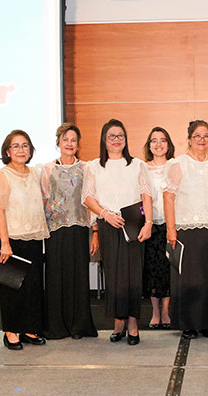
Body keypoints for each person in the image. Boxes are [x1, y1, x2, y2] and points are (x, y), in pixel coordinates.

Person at [83, 119, 154, 346]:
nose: (116, 140)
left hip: (133, 224)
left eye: (120, 136)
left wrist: (149, 223)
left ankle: (133, 324)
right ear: (104, 140)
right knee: (113, 276)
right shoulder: (94, 166)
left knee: (133, 275)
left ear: (126, 139)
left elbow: (146, 196)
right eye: (111, 136)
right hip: (108, 223)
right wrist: (105, 214)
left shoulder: (137, 165)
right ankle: (118, 323)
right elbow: (87, 197)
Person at [164, 120, 208, 339]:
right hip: (185, 229)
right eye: (197, 136)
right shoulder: (178, 164)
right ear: (189, 140)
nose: (201, 140)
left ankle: (206, 323)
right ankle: (189, 324)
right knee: (188, 278)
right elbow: (168, 197)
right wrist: (171, 229)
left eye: (205, 136)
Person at [0, 130, 49, 350]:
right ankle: (11, 332)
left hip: (34, 236)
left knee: (33, 286)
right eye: (15, 146)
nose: (21, 150)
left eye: (25, 145)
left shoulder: (35, 173)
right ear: (7, 151)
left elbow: (42, 201)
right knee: (12, 287)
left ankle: (29, 329)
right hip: (12, 239)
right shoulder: (2, 174)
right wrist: (4, 242)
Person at [41, 123, 97, 340]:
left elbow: (90, 201)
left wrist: (95, 231)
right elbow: (45, 200)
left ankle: (78, 326)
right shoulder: (47, 169)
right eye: (65, 140)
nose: (69, 144)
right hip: (55, 231)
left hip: (79, 228)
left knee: (78, 277)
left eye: (73, 140)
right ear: (58, 143)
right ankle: (57, 326)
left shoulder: (86, 168)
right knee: (56, 278)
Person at [142, 127, 174, 330]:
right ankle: (155, 312)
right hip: (151, 225)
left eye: (163, 140)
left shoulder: (176, 166)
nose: (158, 144)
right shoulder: (142, 167)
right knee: (153, 269)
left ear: (169, 145)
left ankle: (166, 311)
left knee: (170, 269)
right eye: (154, 140)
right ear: (149, 145)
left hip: (172, 225)